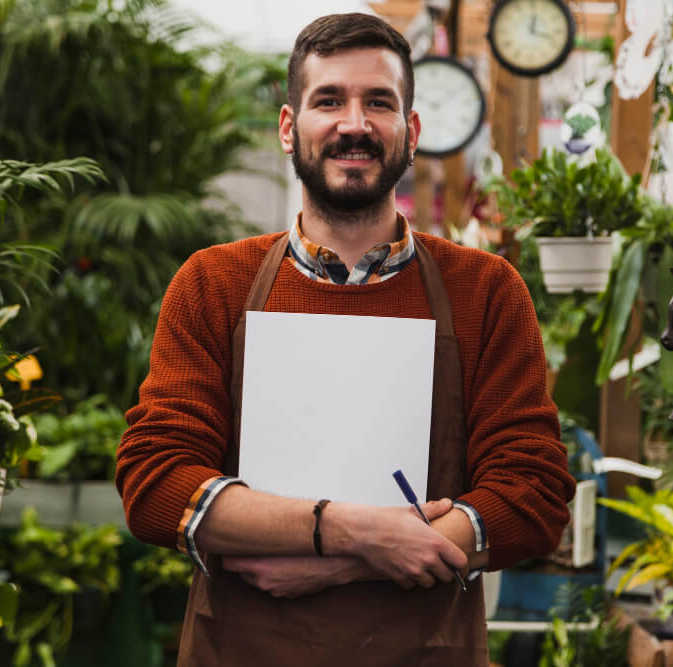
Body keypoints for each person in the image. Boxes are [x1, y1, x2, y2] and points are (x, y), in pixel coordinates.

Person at [117, 12, 575, 666]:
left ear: (411, 133)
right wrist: (349, 531)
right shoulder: (214, 284)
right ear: (287, 127)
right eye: (329, 100)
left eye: (379, 103)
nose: (354, 123)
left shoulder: (485, 291)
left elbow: (533, 491)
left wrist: (343, 564)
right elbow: (156, 481)